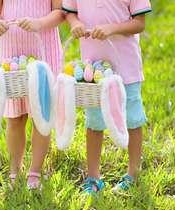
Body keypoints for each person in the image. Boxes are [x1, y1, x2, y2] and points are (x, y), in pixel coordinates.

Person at [63, 0, 152, 194]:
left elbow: (139, 23)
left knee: (132, 119)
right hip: (94, 70)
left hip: (126, 68)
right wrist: (75, 24)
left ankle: (133, 173)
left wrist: (112, 29)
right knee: (94, 122)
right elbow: (69, 12)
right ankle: (93, 178)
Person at [0, 0, 64, 189]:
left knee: (41, 116)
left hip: (44, 51)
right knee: (15, 117)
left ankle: (35, 172)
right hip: (11, 55)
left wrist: (39, 23)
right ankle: (15, 171)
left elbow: (60, 12)